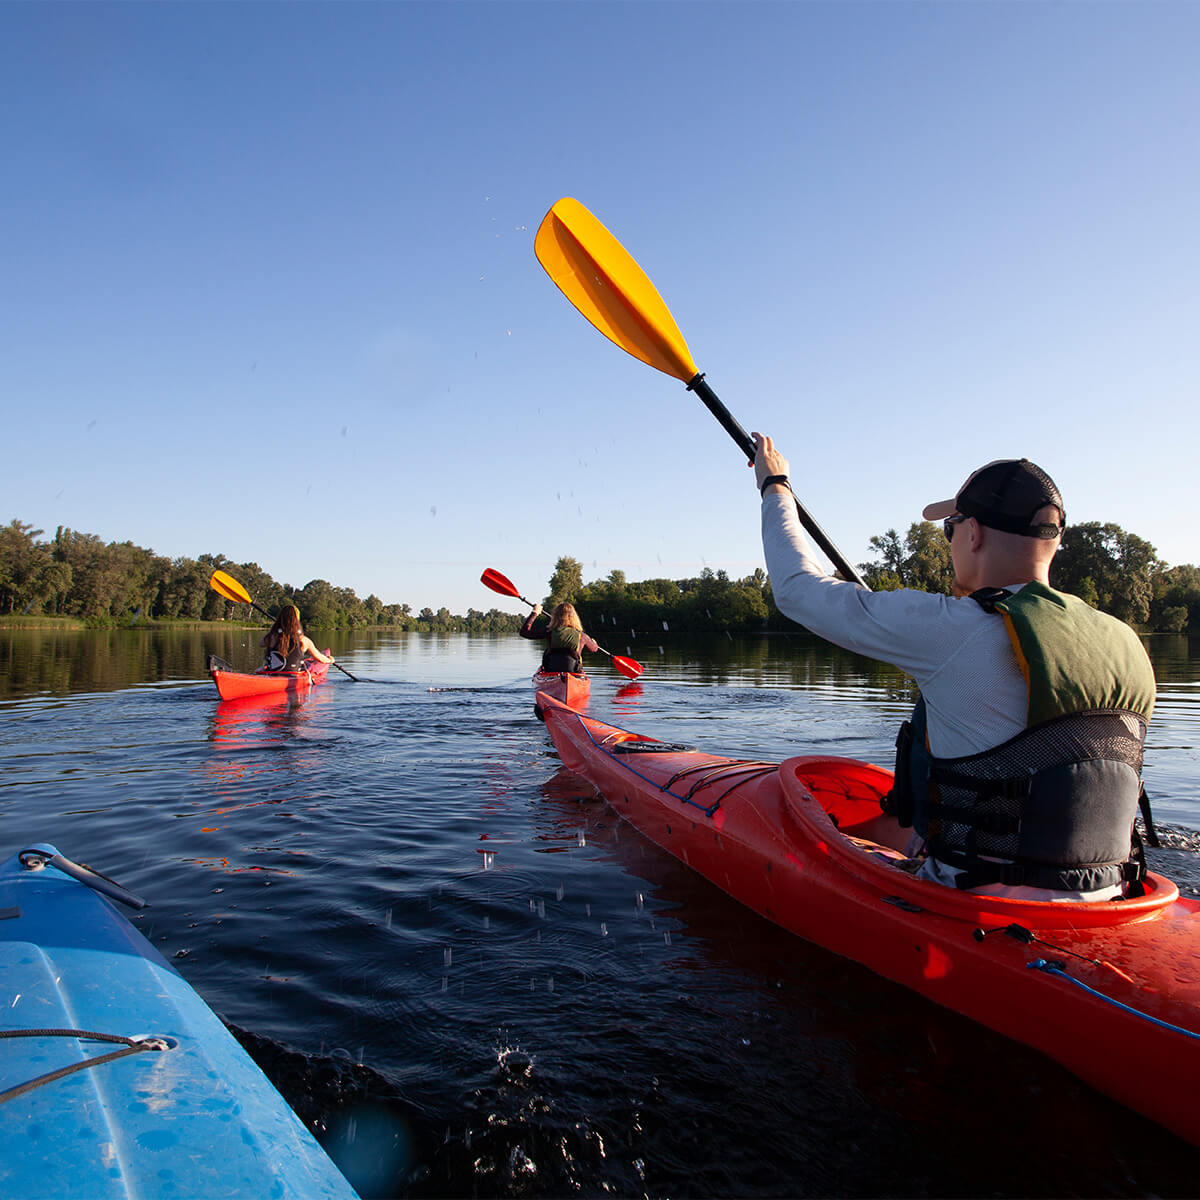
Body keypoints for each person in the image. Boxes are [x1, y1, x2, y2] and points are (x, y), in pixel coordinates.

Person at [753, 433, 1156, 901]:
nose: (951, 542)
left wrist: (775, 485)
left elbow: (796, 588)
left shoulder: (955, 628)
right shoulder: (1124, 639)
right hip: (1111, 895)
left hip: (975, 899)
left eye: (950, 528)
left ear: (974, 532)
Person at [520, 601, 599, 673]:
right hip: (573, 672)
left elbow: (524, 632)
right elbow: (594, 649)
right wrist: (594, 643)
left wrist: (535, 613)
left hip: (551, 671)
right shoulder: (582, 636)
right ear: (574, 617)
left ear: (555, 616)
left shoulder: (549, 631)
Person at [260, 604, 335, 672]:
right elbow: (320, 658)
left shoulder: (272, 637)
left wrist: (276, 628)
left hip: (273, 674)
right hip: (294, 675)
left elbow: (261, 643)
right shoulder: (304, 640)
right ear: (297, 620)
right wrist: (330, 660)